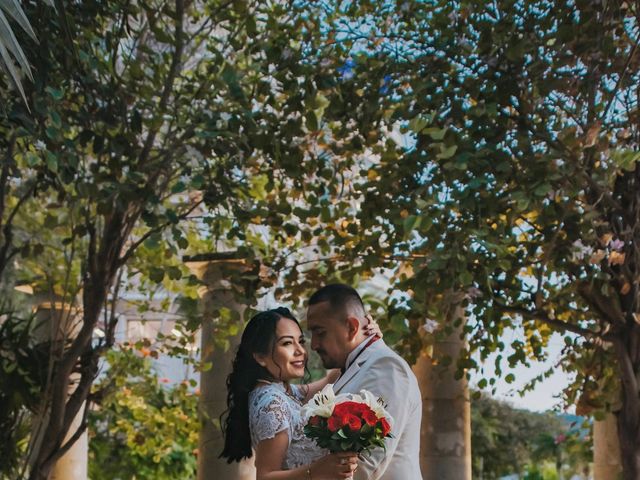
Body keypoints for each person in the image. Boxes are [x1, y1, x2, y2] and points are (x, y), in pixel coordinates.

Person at [219, 307, 381, 479]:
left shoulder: (283, 392)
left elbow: (330, 380)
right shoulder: (272, 403)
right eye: (287, 343)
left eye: (301, 341)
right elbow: (265, 476)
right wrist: (316, 470)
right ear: (260, 357)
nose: (301, 351)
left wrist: (366, 340)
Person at [307, 284, 423, 480]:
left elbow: (364, 466)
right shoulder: (349, 369)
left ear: (352, 327)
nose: (314, 344)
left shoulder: (387, 367)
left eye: (320, 332)